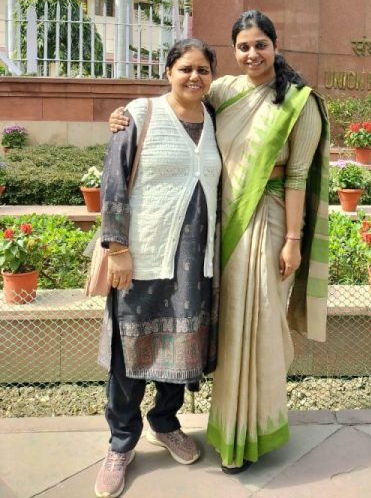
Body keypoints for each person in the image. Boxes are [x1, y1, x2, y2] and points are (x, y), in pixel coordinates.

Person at [110, 10, 330, 474]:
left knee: (247, 326)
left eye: (260, 44)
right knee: (209, 327)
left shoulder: (298, 102)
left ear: (275, 44)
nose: (252, 53)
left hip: (263, 224)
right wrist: (125, 113)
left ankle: (245, 430)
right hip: (209, 229)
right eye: (243, 46)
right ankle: (130, 439)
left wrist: (293, 240)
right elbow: (177, 105)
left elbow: (296, 177)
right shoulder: (223, 90)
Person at [95, 38, 222, 498]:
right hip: (143, 258)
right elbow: (114, 178)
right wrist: (117, 249)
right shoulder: (140, 114)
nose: (195, 77)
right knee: (129, 354)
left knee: (184, 349)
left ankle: (165, 423)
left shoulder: (214, 119)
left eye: (203, 70)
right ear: (168, 71)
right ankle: (120, 443)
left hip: (195, 265)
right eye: (186, 68)